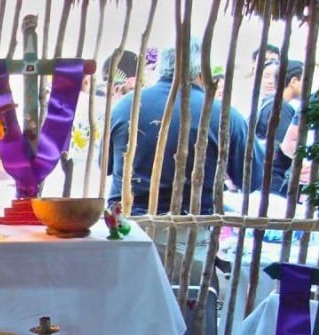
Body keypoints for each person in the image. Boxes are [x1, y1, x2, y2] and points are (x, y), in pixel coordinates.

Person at [105, 38, 263, 216]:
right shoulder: (223, 115)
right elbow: (252, 179)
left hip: (124, 224)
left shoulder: (125, 106)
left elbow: (105, 165)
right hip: (190, 227)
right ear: (202, 70)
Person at [252, 60, 303, 196]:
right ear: (293, 81)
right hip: (274, 180)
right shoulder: (280, 108)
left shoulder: (269, 103)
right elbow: (286, 145)